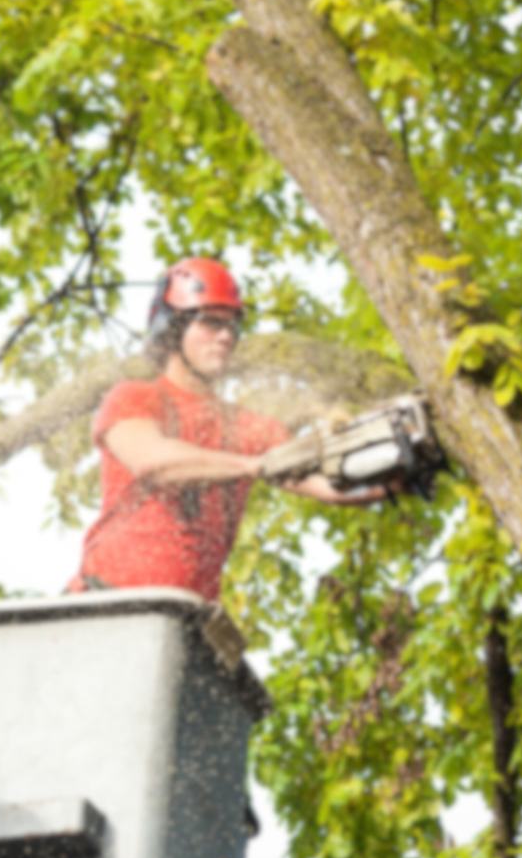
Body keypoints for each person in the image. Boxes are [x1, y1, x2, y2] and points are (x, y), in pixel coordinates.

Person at [69, 257, 386, 601]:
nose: (224, 337)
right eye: (210, 323)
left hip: (187, 619)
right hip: (106, 603)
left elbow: (328, 484)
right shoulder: (135, 397)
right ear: (172, 328)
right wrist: (250, 465)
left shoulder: (250, 427)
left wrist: (393, 474)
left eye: (231, 326)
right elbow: (153, 461)